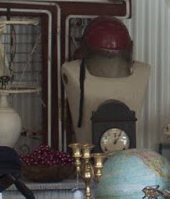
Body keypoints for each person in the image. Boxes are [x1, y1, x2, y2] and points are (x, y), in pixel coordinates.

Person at [59, 16, 151, 146]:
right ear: (130, 47)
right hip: (117, 153)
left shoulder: (71, 69)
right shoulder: (143, 71)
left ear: (84, 47)